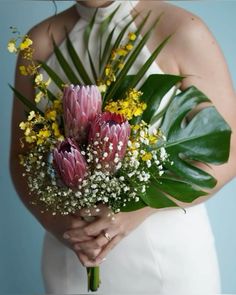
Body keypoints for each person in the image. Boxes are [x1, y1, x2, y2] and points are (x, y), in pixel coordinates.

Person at [10, 0, 236, 294]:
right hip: (72, 258)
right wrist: (59, 226)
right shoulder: (39, 42)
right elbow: (21, 157)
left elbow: (229, 149)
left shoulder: (182, 30)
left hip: (167, 259)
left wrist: (138, 211)